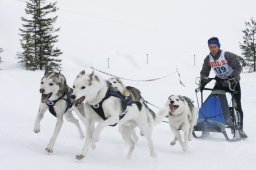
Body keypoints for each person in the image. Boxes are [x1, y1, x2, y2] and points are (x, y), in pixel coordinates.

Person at [200, 37, 247, 139]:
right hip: (220, 82)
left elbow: (238, 67)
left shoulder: (227, 55)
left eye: (214, 46)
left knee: (237, 105)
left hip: (232, 82)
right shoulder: (208, 58)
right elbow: (204, 71)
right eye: (210, 47)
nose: (212, 49)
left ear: (218, 46)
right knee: (211, 102)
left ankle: (240, 129)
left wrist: (232, 78)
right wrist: (204, 79)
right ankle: (207, 127)